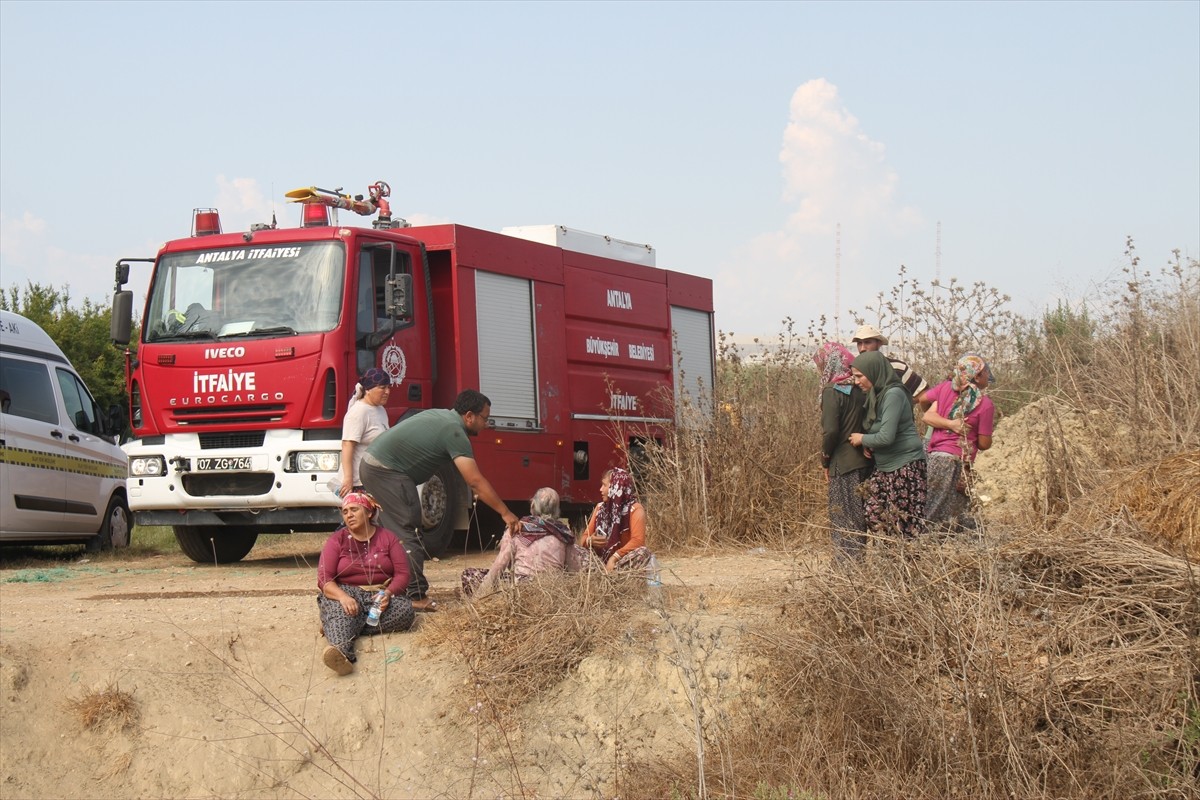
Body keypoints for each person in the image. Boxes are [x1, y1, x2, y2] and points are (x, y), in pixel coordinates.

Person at [359, 389, 521, 611]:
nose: (486, 424)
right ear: (469, 416)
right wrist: (505, 512)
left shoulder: (442, 416)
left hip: (376, 466)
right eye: (485, 418)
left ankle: (396, 584)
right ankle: (415, 595)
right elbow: (474, 481)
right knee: (409, 531)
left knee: (395, 531)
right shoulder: (454, 431)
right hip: (386, 471)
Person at [316, 492, 415, 676]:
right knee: (341, 609)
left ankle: (337, 624)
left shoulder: (388, 538)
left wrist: (388, 593)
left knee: (406, 611)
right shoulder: (336, 540)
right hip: (346, 596)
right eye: (345, 512)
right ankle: (342, 656)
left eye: (354, 509)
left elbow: (402, 574)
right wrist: (343, 597)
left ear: (369, 513)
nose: (349, 515)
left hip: (378, 596)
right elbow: (324, 579)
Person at [849, 351, 928, 539]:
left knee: (903, 525)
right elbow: (877, 427)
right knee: (875, 515)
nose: (856, 382)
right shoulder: (877, 394)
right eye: (854, 377)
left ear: (874, 371)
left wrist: (863, 439)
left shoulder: (893, 394)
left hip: (904, 466)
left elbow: (886, 436)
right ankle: (889, 563)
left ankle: (906, 566)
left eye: (860, 376)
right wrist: (870, 441)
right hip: (886, 467)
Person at [921, 353, 996, 532]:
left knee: (946, 510)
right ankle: (917, 550)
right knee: (938, 513)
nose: (988, 376)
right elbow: (985, 444)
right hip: (955, 463)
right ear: (977, 376)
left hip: (935, 457)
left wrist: (940, 420)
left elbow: (923, 401)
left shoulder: (946, 388)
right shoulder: (985, 404)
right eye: (986, 372)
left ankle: (941, 548)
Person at [461, 487, 580, 596]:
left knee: (469, 574)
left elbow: (498, 569)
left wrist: (479, 598)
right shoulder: (564, 534)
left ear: (533, 506)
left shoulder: (517, 529)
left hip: (521, 593)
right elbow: (574, 570)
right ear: (556, 510)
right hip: (552, 592)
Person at [814, 341, 871, 560]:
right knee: (858, 518)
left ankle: (846, 569)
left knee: (843, 519)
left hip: (843, 463)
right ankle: (858, 564)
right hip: (865, 462)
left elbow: (830, 431)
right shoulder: (860, 387)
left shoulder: (831, 390)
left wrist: (825, 459)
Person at [579, 467, 653, 572]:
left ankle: (614, 575)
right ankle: (600, 574)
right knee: (575, 550)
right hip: (598, 563)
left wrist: (615, 557)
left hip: (621, 562)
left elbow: (638, 541)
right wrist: (590, 541)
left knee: (643, 553)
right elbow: (583, 538)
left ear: (616, 487)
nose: (600, 489)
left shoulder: (635, 509)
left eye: (604, 485)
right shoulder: (600, 508)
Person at [332, 368, 391, 498]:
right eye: (382, 388)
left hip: (376, 479)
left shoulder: (380, 410)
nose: (387, 392)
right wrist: (348, 479)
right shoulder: (358, 412)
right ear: (368, 390)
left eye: (388, 387)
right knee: (360, 517)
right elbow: (347, 445)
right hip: (359, 482)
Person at [851, 324, 928, 402]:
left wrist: (901, 404)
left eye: (867, 342)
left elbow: (923, 393)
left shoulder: (897, 367)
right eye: (859, 343)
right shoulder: (855, 370)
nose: (862, 348)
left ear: (879, 343)